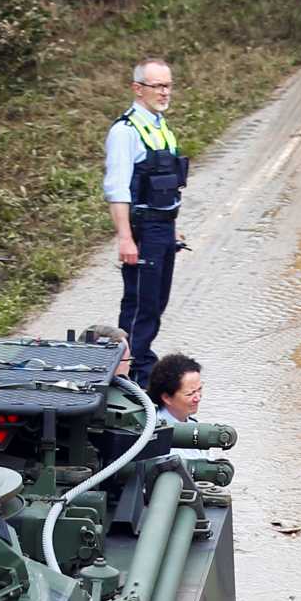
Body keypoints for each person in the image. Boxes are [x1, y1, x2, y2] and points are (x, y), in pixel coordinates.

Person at [103, 58, 189, 384]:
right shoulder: (125, 132)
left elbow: (165, 182)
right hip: (143, 232)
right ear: (138, 89)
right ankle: (130, 374)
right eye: (158, 86)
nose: (165, 92)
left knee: (156, 303)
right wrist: (125, 237)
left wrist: (171, 225)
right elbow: (118, 188)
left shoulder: (159, 124)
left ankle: (139, 363)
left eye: (168, 85)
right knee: (140, 305)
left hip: (163, 229)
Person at [145, 354, 203, 426]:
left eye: (199, 389)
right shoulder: (151, 429)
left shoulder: (193, 424)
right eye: (190, 394)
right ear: (167, 398)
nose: (198, 398)